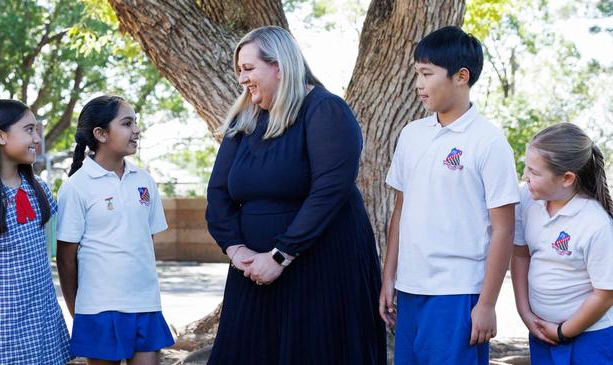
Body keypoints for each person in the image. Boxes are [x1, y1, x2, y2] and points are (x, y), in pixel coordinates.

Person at [206, 26, 386, 364]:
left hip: (319, 269)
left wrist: (279, 256)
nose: (241, 79)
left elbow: (329, 191)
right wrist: (236, 249)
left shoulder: (325, 110)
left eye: (248, 69)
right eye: (238, 70)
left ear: (279, 66)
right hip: (252, 271)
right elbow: (217, 193)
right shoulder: (243, 121)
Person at [379, 26, 520, 364]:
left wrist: (486, 304)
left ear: (461, 76)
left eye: (427, 74)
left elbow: (504, 228)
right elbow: (401, 211)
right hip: (410, 289)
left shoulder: (489, 141)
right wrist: (389, 278)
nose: (418, 84)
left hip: (458, 293)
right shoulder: (411, 135)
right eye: (417, 73)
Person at [56, 95, 174, 365]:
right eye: (127, 123)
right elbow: (65, 258)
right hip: (99, 309)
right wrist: (79, 310)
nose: (136, 130)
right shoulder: (76, 187)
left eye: (135, 122)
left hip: (146, 305)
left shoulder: (144, 180)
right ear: (100, 133)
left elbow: (145, 239)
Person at [0, 99, 72, 364]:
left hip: (43, 328)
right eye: (29, 130)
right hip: (0, 335)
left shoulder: (41, 190)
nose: (37, 138)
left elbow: (57, 252)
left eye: (36, 130)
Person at [512, 123, 613, 364]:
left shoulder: (595, 223)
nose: (525, 176)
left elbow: (605, 293)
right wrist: (525, 313)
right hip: (541, 333)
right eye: (526, 166)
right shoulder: (527, 199)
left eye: (535, 172)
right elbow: (520, 254)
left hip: (591, 337)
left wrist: (563, 331)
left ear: (567, 178)